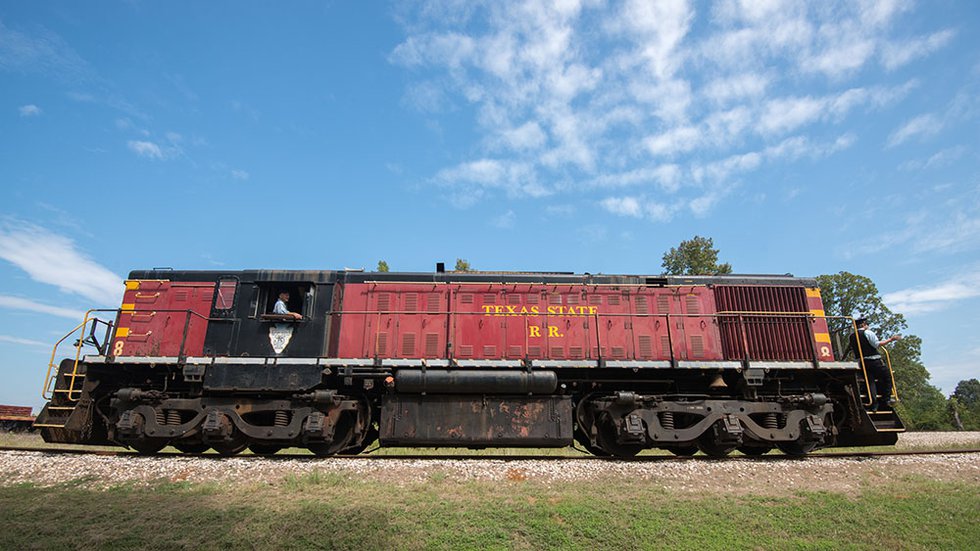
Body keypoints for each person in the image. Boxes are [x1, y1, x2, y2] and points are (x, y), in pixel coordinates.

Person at [846, 317, 901, 410]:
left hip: (861, 362)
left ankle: (873, 404)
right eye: (866, 323)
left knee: (870, 382)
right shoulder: (868, 333)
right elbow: (877, 344)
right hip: (873, 360)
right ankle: (886, 400)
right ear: (863, 324)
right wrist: (891, 339)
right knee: (887, 376)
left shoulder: (852, 336)